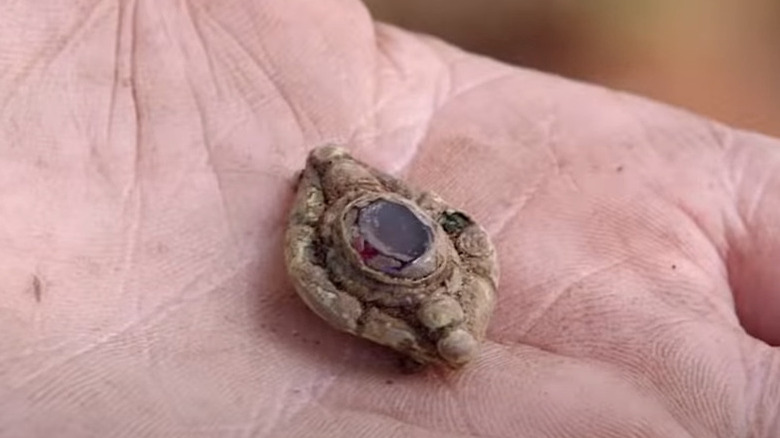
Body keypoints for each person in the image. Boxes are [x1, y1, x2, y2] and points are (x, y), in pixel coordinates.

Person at [0, 1, 777, 436]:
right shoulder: (356, 258)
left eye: (442, 334)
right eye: (444, 336)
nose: (455, 339)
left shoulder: (455, 280)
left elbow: (448, 229)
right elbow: (322, 262)